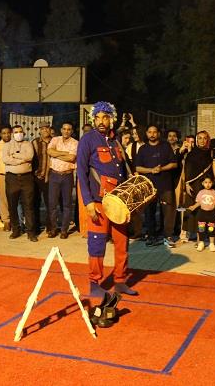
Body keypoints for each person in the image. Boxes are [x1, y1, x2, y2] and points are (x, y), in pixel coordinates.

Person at [77, 101, 137, 296]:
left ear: (112, 119)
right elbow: (81, 172)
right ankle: (95, 283)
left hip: (118, 202)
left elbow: (123, 171)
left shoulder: (115, 141)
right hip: (99, 201)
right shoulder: (87, 139)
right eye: (98, 118)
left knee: (122, 242)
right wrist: (88, 202)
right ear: (93, 119)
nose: (101, 121)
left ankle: (120, 281)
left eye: (105, 117)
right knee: (97, 242)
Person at [134, 124, 178, 247]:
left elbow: (174, 164)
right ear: (146, 133)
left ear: (158, 133)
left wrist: (161, 169)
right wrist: (151, 170)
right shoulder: (143, 149)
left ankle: (168, 236)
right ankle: (151, 236)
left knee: (168, 212)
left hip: (165, 185)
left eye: (154, 132)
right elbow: (138, 168)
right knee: (149, 212)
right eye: (150, 132)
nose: (152, 134)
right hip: (149, 187)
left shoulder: (166, 146)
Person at [176, 131, 215, 243]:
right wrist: (187, 184)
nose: (202, 140)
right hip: (193, 185)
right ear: (196, 140)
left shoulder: (211, 152)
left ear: (208, 140)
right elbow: (187, 169)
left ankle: (208, 236)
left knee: (208, 210)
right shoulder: (191, 153)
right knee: (195, 212)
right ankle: (198, 238)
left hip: (207, 185)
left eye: (205, 138)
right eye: (200, 138)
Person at [3, 125, 37, 241]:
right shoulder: (7, 145)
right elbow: (5, 159)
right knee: (12, 206)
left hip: (27, 178)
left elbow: (30, 157)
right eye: (16, 132)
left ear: (24, 133)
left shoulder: (28, 144)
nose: (19, 134)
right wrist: (22, 161)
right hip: (12, 178)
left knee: (29, 205)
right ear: (13, 134)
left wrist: (15, 156)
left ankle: (31, 232)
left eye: (20, 132)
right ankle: (16, 230)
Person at [46, 121, 78, 239]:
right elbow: (49, 151)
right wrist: (64, 153)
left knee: (67, 204)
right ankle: (53, 229)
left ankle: (64, 230)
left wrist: (56, 154)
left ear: (72, 131)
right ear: (61, 130)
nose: (66, 131)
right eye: (64, 129)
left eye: (69, 129)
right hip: (54, 175)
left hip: (67, 176)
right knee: (52, 204)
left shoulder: (75, 143)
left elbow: (71, 157)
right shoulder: (55, 140)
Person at [190, 176, 215, 252]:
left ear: (212, 183)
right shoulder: (201, 192)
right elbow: (199, 202)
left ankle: (212, 244)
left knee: (211, 229)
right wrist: (193, 207)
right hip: (202, 214)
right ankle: (201, 243)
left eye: (210, 182)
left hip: (212, 214)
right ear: (202, 183)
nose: (208, 184)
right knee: (201, 229)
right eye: (206, 182)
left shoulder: (214, 193)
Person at [32, 123, 52, 236]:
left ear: (50, 129)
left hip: (51, 178)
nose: (45, 130)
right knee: (35, 203)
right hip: (37, 177)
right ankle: (36, 227)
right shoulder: (35, 142)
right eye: (42, 128)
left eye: (47, 128)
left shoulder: (55, 141)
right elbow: (31, 159)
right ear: (39, 130)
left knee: (50, 204)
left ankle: (50, 227)